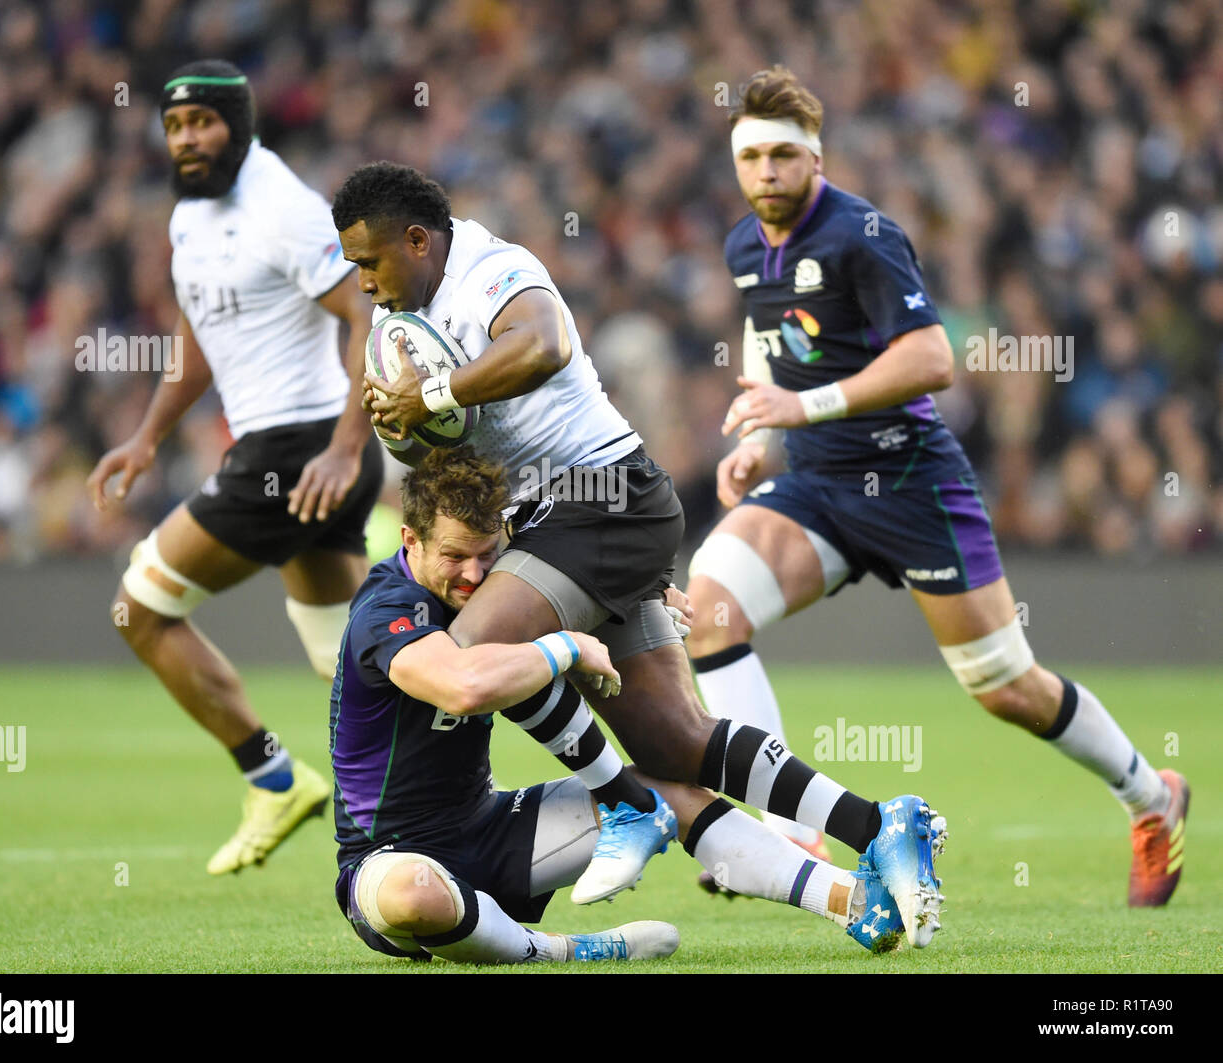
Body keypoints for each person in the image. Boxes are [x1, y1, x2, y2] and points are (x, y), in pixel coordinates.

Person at [342, 161, 946, 947]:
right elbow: (454, 456)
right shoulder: (407, 321)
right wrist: (404, 425)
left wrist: (433, 395)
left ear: (418, 240)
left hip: (598, 499)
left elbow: (545, 344)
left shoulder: (493, 269)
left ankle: (621, 798)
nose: (362, 282)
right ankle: (882, 825)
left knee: (478, 653)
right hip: (583, 525)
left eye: (369, 261)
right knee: (675, 738)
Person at [688, 66, 1188, 909]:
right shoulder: (745, 245)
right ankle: (788, 826)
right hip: (816, 484)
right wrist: (764, 438)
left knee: (1004, 686)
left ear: (816, 158)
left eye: (782, 155)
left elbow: (932, 358)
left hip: (912, 481)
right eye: (751, 157)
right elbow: (774, 345)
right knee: (708, 608)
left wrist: (801, 404)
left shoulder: (862, 234)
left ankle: (1150, 796)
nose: (765, 172)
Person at [333, 446, 920, 964]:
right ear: (410, 540)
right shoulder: (386, 609)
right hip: (388, 855)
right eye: (455, 556)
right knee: (418, 895)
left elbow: (577, 568)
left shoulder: (493, 585)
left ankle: (849, 899)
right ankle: (563, 951)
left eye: (487, 554)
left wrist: (639, 593)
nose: (474, 574)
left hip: (487, 828)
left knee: (673, 792)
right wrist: (566, 645)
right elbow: (462, 685)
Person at [86, 61, 384, 876]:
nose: (187, 140)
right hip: (293, 451)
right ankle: (464, 784)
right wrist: (148, 435)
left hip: (298, 452)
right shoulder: (192, 213)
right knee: (358, 652)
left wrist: (348, 446)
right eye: (176, 127)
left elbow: (366, 306)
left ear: (239, 124)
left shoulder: (281, 208)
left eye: (204, 124)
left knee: (140, 608)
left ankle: (272, 776)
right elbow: (199, 337)